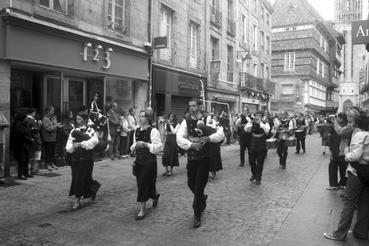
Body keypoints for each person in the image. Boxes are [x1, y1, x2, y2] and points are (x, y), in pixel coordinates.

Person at [177, 98, 225, 228]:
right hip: (192, 157)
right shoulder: (186, 122)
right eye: (190, 106)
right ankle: (202, 198)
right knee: (190, 183)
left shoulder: (209, 119)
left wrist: (209, 137)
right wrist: (191, 144)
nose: (191, 108)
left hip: (205, 158)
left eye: (194, 105)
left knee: (198, 188)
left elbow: (221, 134)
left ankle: (197, 215)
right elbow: (179, 138)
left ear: (200, 106)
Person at [324, 114, 369, 241]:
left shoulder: (360, 135)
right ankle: (361, 232)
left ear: (356, 124)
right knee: (365, 203)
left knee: (349, 203)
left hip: (357, 172)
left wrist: (346, 153)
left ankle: (339, 234)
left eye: (352, 121)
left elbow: (355, 156)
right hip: (367, 172)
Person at [65, 111, 101, 210]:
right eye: (77, 119)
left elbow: (94, 142)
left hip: (87, 160)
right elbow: (69, 144)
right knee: (78, 179)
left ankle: (79, 200)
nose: (77, 121)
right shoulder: (74, 131)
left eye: (80, 119)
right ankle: (92, 189)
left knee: (82, 179)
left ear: (85, 120)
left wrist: (81, 144)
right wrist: (71, 147)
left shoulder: (91, 130)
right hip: (75, 160)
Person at [130, 108, 162, 220]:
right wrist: (134, 147)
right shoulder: (137, 131)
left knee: (143, 183)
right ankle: (154, 196)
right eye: (139, 116)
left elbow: (158, 147)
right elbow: (133, 144)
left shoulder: (153, 131)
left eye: (143, 116)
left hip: (149, 162)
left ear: (148, 118)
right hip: (139, 161)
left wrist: (146, 145)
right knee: (143, 183)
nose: (140, 118)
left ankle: (142, 209)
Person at [244, 111, 270, 185]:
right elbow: (246, 129)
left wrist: (260, 123)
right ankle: (254, 174)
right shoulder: (252, 122)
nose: (257, 117)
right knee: (251, 161)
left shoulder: (265, 123)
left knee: (260, 163)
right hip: (253, 144)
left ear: (262, 117)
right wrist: (251, 123)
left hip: (261, 145)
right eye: (256, 115)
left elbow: (267, 131)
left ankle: (258, 178)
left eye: (259, 116)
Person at [327, 113, 350, 190]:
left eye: (338, 117)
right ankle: (342, 184)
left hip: (338, 149)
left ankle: (334, 184)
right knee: (343, 166)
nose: (336, 119)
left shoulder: (342, 127)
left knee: (333, 165)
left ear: (341, 118)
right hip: (342, 149)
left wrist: (331, 148)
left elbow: (334, 137)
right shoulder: (346, 125)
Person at [42, 105, 63, 171]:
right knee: (48, 152)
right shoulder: (45, 119)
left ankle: (52, 163)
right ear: (48, 111)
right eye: (52, 111)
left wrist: (56, 123)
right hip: (48, 139)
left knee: (52, 152)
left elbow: (54, 126)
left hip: (53, 138)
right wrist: (56, 125)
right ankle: (47, 165)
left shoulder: (52, 118)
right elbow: (48, 128)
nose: (53, 112)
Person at [13, 111, 33, 180]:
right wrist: (29, 139)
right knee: (21, 160)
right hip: (21, 145)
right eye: (26, 117)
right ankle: (20, 174)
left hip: (25, 144)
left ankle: (26, 173)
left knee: (26, 159)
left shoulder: (25, 124)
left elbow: (27, 132)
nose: (27, 118)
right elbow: (22, 135)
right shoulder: (19, 125)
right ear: (23, 118)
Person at [25, 108, 42, 175]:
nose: (35, 114)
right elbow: (36, 130)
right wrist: (39, 125)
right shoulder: (31, 120)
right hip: (35, 140)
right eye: (34, 113)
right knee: (36, 155)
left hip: (31, 140)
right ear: (31, 113)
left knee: (32, 156)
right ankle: (34, 169)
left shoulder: (26, 119)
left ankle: (31, 170)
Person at [206, 114, 223, 180]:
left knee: (214, 159)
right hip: (209, 145)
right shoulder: (208, 126)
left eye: (215, 118)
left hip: (215, 145)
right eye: (213, 118)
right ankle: (209, 173)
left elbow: (221, 136)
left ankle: (213, 173)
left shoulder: (218, 126)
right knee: (209, 159)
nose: (214, 119)